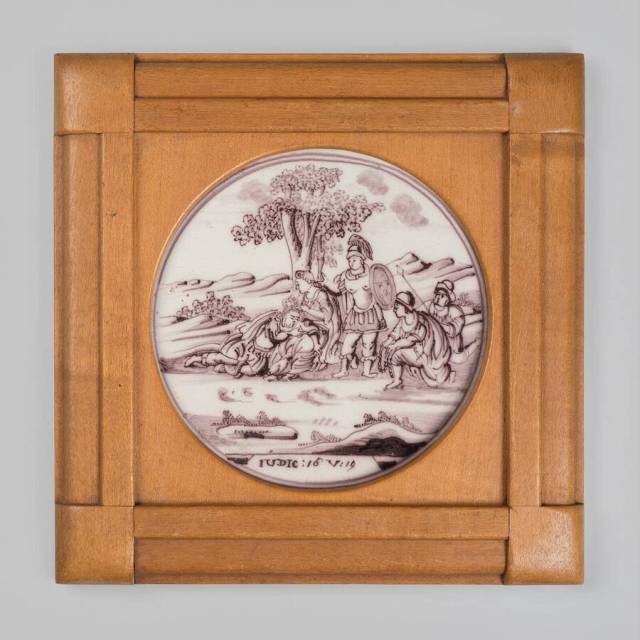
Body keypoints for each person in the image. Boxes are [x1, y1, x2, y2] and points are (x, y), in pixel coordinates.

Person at [332, 234, 386, 378]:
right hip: (355, 315)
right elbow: (343, 294)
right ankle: (343, 370)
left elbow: (379, 295)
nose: (351, 262)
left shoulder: (372, 274)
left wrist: (380, 316)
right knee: (347, 344)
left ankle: (367, 372)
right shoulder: (345, 276)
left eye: (354, 259)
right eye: (349, 260)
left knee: (368, 344)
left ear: (362, 259)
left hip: (371, 314)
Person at [381, 291, 453, 390]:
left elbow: (410, 340)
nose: (394, 309)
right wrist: (385, 344)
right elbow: (395, 333)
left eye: (397, 307)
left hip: (423, 355)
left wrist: (395, 345)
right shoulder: (403, 320)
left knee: (434, 377)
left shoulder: (419, 321)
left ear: (405, 308)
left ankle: (444, 374)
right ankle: (397, 381)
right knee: (395, 356)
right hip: (414, 352)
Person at [295, 270, 341, 366]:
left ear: (308, 282)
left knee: (324, 356)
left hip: (327, 326)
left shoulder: (321, 295)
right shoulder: (305, 295)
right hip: (313, 324)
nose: (297, 287)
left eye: (299, 284)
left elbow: (326, 316)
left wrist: (308, 310)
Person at [427, 280, 480, 363]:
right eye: (437, 294)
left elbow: (456, 328)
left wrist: (443, 326)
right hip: (436, 344)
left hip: (451, 345)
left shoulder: (454, 310)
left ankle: (476, 343)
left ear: (448, 299)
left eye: (442, 296)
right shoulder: (432, 308)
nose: (438, 297)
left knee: (459, 359)